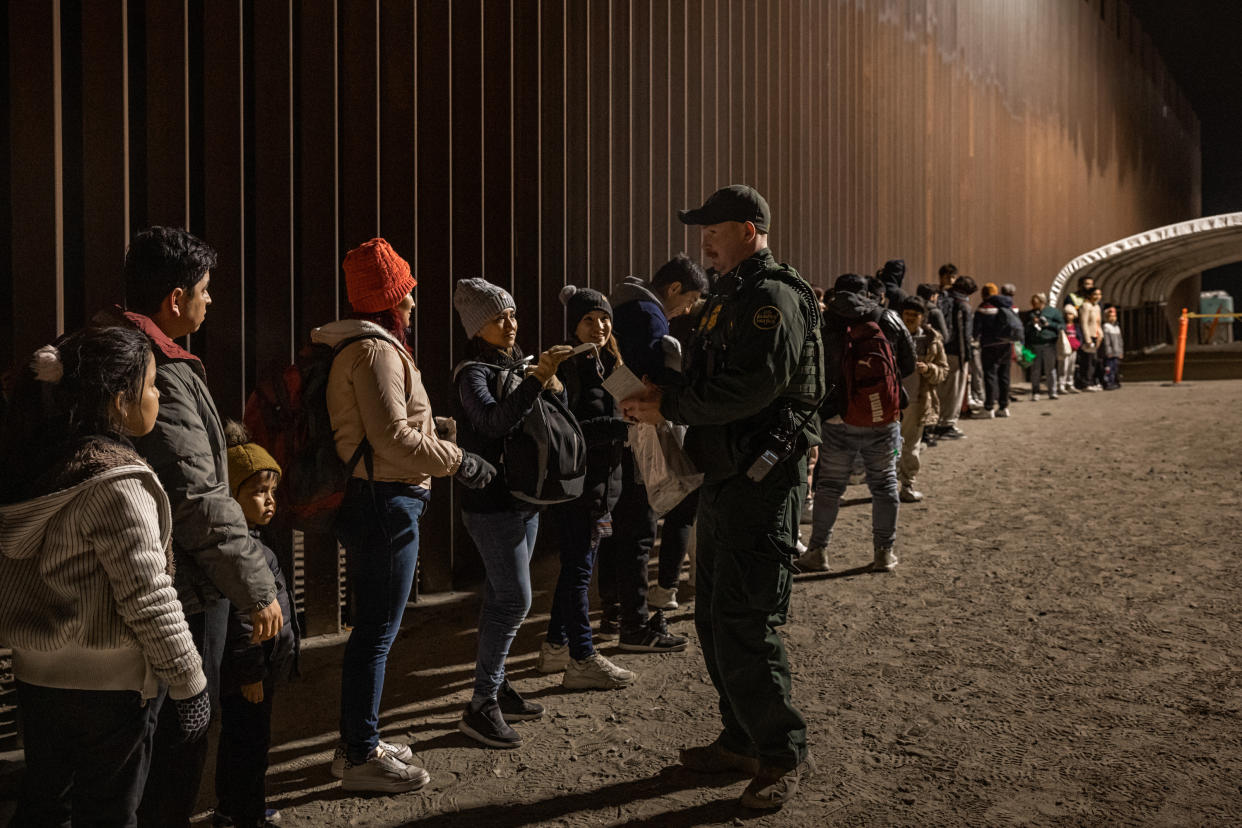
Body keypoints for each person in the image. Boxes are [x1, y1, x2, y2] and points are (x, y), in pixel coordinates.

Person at [623, 185, 823, 810]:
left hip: (761, 483)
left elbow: (754, 389)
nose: (703, 240)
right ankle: (741, 736)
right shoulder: (728, 298)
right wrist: (663, 386)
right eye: (701, 230)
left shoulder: (771, 298)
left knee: (746, 620)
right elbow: (714, 377)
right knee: (713, 616)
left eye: (715, 229)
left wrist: (672, 405)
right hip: (727, 477)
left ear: (750, 229)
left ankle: (780, 753)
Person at [101, 227, 280, 828]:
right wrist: (256, 586)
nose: (212, 302)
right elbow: (199, 498)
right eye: (205, 291)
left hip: (129, 586)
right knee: (177, 745)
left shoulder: (114, 349)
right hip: (184, 591)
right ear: (175, 299)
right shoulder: (159, 371)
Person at [0, 326, 208, 827]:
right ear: (120, 400)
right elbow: (149, 596)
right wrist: (189, 682)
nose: (158, 395)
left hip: (36, 676)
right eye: (153, 385)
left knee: (46, 804)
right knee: (109, 813)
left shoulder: (35, 470)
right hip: (110, 690)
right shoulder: (119, 485)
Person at [315, 239, 490, 790]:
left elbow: (388, 426)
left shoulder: (376, 348)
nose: (414, 302)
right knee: (376, 633)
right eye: (407, 293)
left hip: (383, 500)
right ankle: (361, 754)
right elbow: (390, 439)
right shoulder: (375, 352)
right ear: (389, 298)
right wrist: (459, 461)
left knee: (376, 629)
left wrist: (435, 429)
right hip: (385, 502)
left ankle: (358, 740)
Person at [453, 277, 572, 748]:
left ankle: (497, 682)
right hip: (490, 504)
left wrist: (553, 385)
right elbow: (491, 422)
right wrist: (537, 381)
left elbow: (549, 420)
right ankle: (481, 705)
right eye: (497, 318)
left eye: (512, 314)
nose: (509, 324)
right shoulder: (471, 374)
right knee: (516, 600)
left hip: (525, 500)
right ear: (476, 327)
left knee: (500, 598)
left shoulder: (520, 365)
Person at [597, 253, 704, 652]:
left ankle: (613, 613)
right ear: (673, 288)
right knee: (638, 530)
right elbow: (651, 379)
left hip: (614, 430)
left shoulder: (623, 306)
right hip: (637, 432)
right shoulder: (648, 314)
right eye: (688, 299)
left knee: (615, 529)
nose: (687, 309)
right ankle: (635, 625)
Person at [536, 285, 636, 690]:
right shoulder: (568, 367)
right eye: (588, 319)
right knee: (579, 572)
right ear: (572, 326)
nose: (599, 325)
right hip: (578, 488)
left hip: (602, 486)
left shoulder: (609, 360)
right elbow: (567, 430)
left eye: (604, 318)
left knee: (577, 568)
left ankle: (557, 646)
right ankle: (581, 657)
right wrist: (621, 427)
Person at [800, 272, 916, 571]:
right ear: (867, 293)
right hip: (883, 418)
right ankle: (883, 552)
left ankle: (818, 551)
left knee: (829, 487)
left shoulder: (822, 321)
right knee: (885, 483)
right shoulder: (886, 317)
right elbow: (909, 362)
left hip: (836, 418)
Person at [215, 422, 297, 828]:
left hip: (257, 670)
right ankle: (248, 816)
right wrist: (251, 672)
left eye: (272, 493)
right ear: (231, 496)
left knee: (238, 740)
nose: (269, 502)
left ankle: (231, 809)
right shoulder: (244, 553)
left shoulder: (255, 543)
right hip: (250, 674)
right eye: (258, 493)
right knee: (250, 745)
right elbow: (239, 619)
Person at [895, 296, 949, 503]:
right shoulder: (891, 335)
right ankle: (888, 484)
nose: (909, 319)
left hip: (917, 401)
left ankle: (907, 484)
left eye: (914, 315)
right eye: (906, 314)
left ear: (922, 318)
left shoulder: (931, 340)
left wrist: (929, 369)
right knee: (890, 445)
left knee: (910, 445)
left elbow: (944, 371)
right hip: (889, 400)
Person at [972, 281, 1024, 418]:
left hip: (989, 346)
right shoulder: (1010, 305)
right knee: (1004, 377)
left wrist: (974, 339)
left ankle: (989, 407)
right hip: (1006, 345)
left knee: (990, 376)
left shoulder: (984, 306)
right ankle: (1003, 407)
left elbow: (976, 329)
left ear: (984, 294)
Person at [934, 275, 977, 438]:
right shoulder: (963, 305)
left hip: (940, 350)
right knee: (954, 390)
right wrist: (967, 356)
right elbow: (965, 335)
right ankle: (947, 425)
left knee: (940, 389)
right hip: (957, 353)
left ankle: (936, 422)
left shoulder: (943, 299)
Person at [1023, 293, 1064, 401]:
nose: (1032, 304)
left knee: (1050, 369)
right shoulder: (1030, 314)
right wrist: (1031, 324)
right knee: (1035, 370)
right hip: (1034, 345)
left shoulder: (1053, 312)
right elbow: (1025, 329)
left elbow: (1062, 325)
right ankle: (1035, 392)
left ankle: (1052, 391)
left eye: (1034, 302)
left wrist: (1049, 324)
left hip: (1049, 344)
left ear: (1042, 302)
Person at [1077, 287, 1104, 391]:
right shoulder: (1085, 306)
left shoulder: (1097, 307)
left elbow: (1098, 323)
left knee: (1095, 360)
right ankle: (1086, 382)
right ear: (1089, 295)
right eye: (1095, 294)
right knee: (1087, 361)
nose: (1097, 297)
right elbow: (1084, 323)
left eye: (1099, 294)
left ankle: (1092, 380)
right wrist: (1087, 339)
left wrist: (1100, 335)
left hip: (1097, 336)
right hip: (1089, 336)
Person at [1059, 305, 1082, 395]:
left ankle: (1070, 384)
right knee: (1063, 367)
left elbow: (1079, 337)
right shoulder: (1063, 326)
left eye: (1070, 314)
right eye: (1067, 314)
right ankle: (1061, 384)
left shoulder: (1076, 326)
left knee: (1071, 367)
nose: (1068, 316)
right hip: (1065, 350)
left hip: (1074, 349)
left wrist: (1078, 344)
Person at [1101, 304, 1124, 389]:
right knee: (1108, 368)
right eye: (1110, 316)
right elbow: (1107, 341)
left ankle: (1115, 381)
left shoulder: (1117, 327)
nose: (1113, 318)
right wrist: (1108, 351)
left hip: (1117, 352)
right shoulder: (1106, 327)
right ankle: (1108, 382)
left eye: (1114, 316)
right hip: (1110, 353)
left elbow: (1120, 340)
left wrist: (1121, 351)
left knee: (1115, 368)